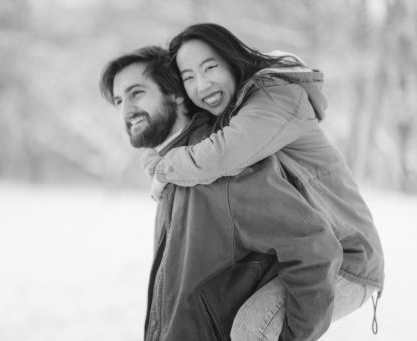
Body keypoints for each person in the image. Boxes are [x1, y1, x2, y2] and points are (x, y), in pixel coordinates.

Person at [141, 23, 384, 340]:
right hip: (306, 256)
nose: (201, 84)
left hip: (347, 261)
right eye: (188, 77)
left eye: (210, 67)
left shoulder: (275, 97)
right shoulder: (236, 109)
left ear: (232, 60)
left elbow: (218, 156)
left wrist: (163, 170)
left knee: (252, 327)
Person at [101, 46, 344, 341]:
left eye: (136, 93)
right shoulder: (175, 169)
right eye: (118, 101)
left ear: (176, 94)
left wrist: (290, 336)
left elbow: (314, 250)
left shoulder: (220, 170)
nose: (126, 110)